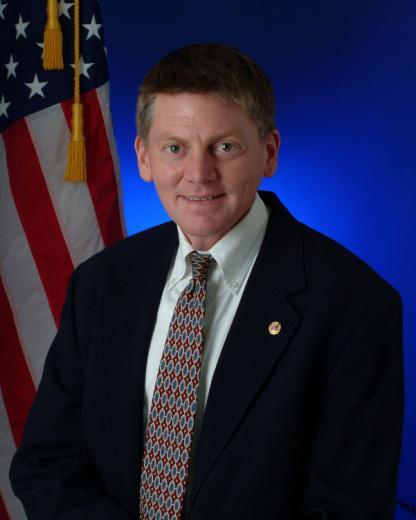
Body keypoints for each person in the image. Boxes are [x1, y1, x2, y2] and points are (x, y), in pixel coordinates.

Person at [10, 43, 403, 520]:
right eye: (175, 148)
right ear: (144, 158)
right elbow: (46, 463)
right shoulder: (100, 283)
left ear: (269, 153)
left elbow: (347, 509)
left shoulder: (354, 306)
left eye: (226, 147)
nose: (198, 174)